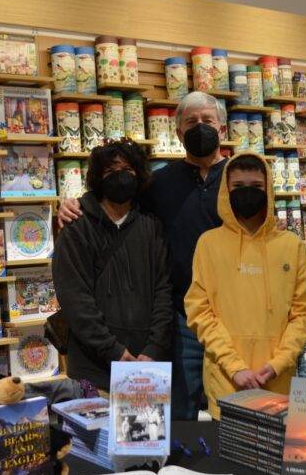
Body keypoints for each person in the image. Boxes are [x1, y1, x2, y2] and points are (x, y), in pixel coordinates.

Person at [58, 92, 227, 419]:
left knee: (234, 411)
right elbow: (111, 203)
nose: (200, 127)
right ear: (178, 132)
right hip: (180, 321)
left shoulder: (239, 176)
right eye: (191, 122)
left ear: (222, 127)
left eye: (207, 120)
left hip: (232, 316)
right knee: (177, 417)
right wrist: (72, 204)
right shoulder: (160, 183)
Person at [185, 152, 306, 418]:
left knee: (273, 456)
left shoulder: (291, 245)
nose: (247, 193)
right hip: (226, 379)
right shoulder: (208, 244)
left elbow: (305, 313)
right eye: (238, 187)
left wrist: (277, 364)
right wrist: (236, 368)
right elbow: (200, 312)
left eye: (256, 187)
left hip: (278, 381)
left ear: (267, 189)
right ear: (226, 191)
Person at [52, 140, 173, 391]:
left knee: (142, 432)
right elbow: (75, 299)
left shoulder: (151, 226)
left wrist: (154, 347)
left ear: (139, 175)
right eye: (109, 171)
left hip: (145, 365)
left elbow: (163, 290)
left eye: (128, 170)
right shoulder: (77, 227)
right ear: (97, 178)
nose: (120, 177)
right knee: (92, 431)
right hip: (91, 366)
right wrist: (112, 350)